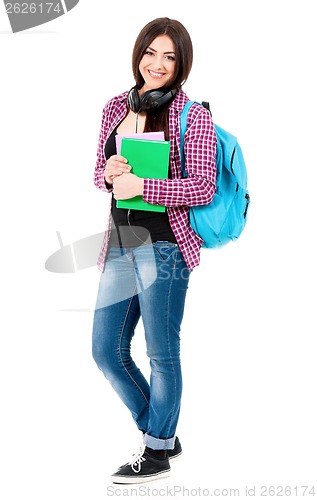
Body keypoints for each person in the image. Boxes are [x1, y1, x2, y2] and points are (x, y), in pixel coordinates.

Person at [92, 17, 217, 484]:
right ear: (138, 53)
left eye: (170, 56)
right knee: (106, 351)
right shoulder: (113, 107)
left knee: (161, 353)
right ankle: (160, 430)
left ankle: (157, 451)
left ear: (181, 63)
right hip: (120, 243)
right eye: (151, 52)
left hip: (164, 246)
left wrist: (143, 183)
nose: (158, 64)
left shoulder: (192, 115)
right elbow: (96, 175)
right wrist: (109, 172)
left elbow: (203, 187)